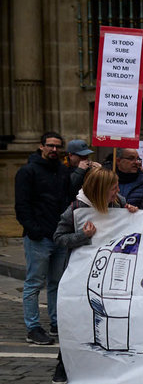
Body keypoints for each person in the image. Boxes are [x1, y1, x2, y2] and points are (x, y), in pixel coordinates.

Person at [51, 167, 139, 384]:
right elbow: (59, 238)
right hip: (80, 272)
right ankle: (63, 364)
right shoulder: (76, 208)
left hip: (110, 273)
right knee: (75, 316)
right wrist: (82, 235)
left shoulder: (117, 202)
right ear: (100, 190)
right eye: (113, 188)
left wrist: (130, 213)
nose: (118, 191)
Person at [14, 132, 72, 345]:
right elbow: (22, 205)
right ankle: (33, 327)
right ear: (41, 146)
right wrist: (34, 230)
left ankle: (56, 323)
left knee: (56, 283)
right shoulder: (27, 172)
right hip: (39, 237)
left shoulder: (63, 172)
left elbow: (67, 199)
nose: (54, 150)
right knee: (34, 283)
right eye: (50, 146)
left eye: (58, 146)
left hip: (59, 236)